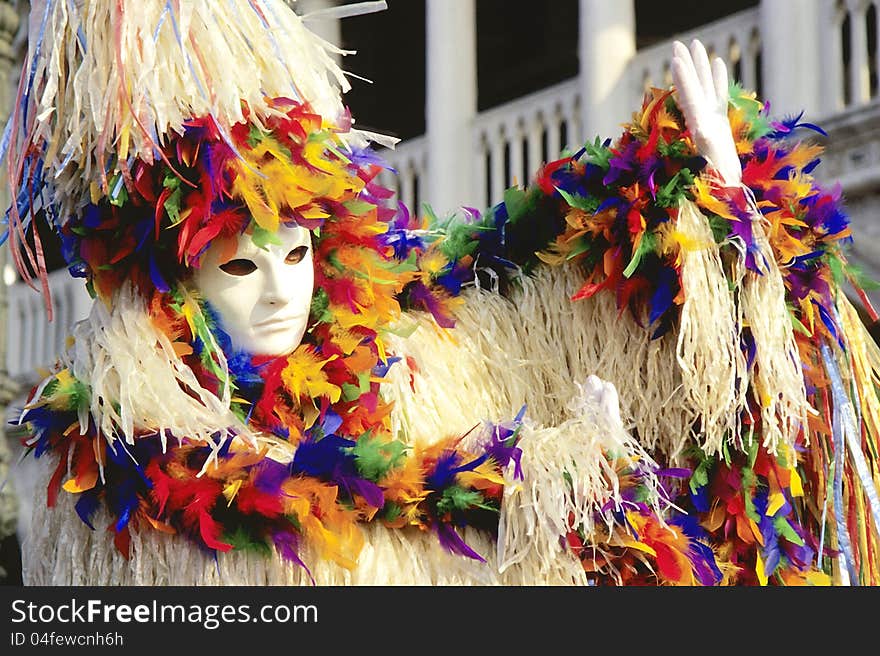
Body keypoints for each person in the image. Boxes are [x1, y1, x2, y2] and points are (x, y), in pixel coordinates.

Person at [4, 1, 878, 586]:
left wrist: (722, 211)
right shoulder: (95, 454)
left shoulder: (413, 363)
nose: (279, 292)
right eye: (238, 264)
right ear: (173, 286)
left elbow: (589, 294)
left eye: (298, 254)